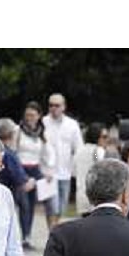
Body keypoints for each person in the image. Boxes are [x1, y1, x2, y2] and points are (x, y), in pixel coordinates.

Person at [15, 101, 58, 243]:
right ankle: (24, 235)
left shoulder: (41, 133)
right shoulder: (18, 131)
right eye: (27, 115)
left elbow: (48, 153)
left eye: (33, 115)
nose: (29, 118)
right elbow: (14, 151)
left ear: (39, 116)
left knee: (35, 204)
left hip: (35, 169)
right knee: (24, 204)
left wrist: (49, 170)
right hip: (22, 169)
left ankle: (29, 235)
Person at [0, 118, 36, 243]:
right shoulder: (9, 154)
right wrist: (32, 181)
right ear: (11, 134)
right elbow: (23, 183)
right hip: (7, 197)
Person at [42, 93, 83, 223]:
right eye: (51, 105)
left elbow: (79, 147)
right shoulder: (43, 122)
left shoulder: (72, 124)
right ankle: (52, 234)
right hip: (48, 173)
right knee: (51, 208)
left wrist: (77, 170)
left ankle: (53, 232)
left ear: (63, 107)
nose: (53, 108)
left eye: (57, 105)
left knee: (61, 208)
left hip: (65, 172)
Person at [73, 122, 107, 216]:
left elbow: (74, 172)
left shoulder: (79, 151)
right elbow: (100, 164)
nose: (106, 139)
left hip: (81, 197)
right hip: (96, 197)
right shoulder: (98, 151)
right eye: (104, 136)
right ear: (96, 137)